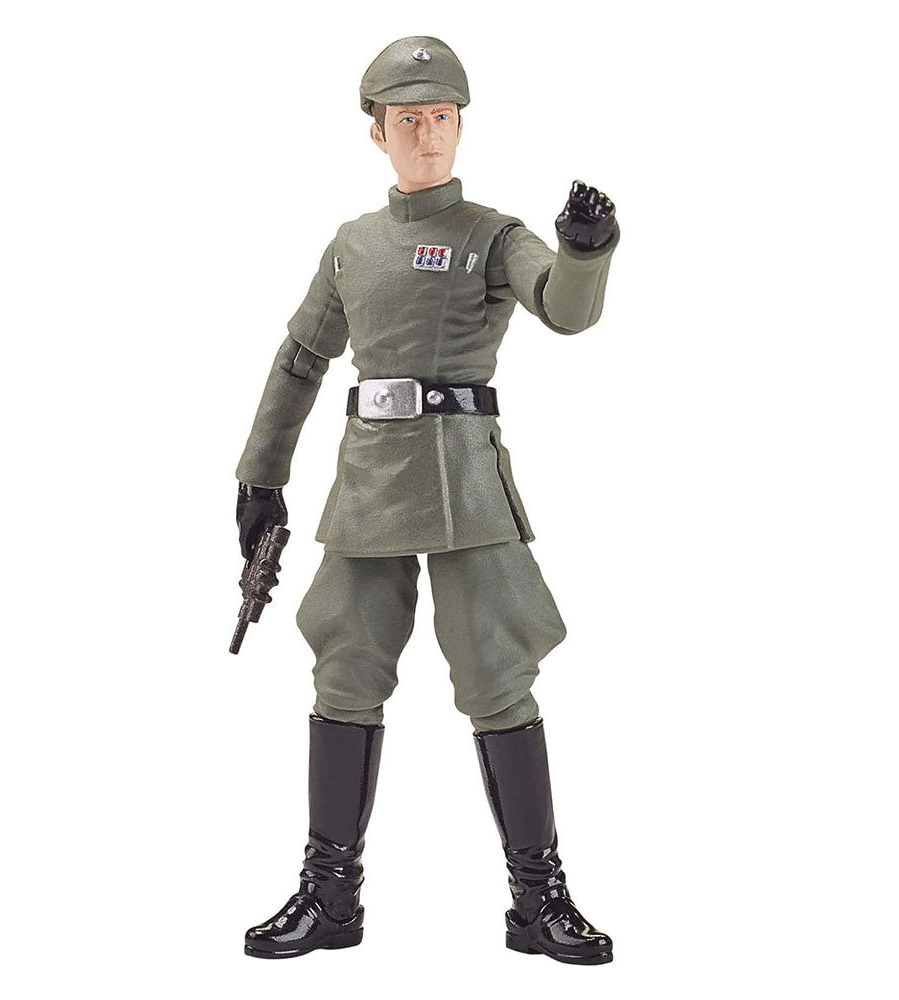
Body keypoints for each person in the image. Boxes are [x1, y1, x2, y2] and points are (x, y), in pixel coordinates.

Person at [236, 36, 620, 965]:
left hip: (462, 479)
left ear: (461, 125)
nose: (428, 135)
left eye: (442, 117)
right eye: (408, 120)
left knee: (498, 670)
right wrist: (259, 476)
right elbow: (301, 359)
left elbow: (564, 308)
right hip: (370, 479)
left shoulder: (494, 234)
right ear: (377, 133)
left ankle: (539, 898)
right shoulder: (353, 245)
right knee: (345, 668)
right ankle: (330, 893)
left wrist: (584, 251)